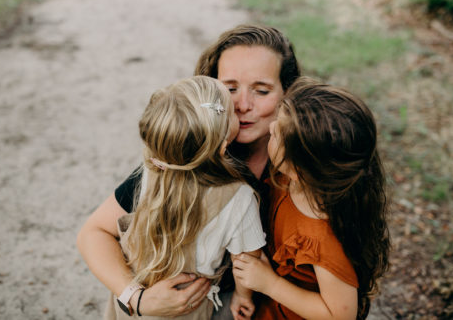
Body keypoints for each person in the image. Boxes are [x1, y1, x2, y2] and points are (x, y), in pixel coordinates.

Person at [77, 24, 301, 318]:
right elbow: (93, 233)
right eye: (230, 89)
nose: (242, 105)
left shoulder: (301, 164)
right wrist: (137, 298)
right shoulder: (178, 159)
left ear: (288, 92)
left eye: (261, 90)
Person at [79, 76, 266, 319]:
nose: (238, 108)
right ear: (221, 147)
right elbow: (246, 262)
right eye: (230, 109)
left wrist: (132, 296)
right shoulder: (239, 198)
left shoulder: (150, 173)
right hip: (190, 309)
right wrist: (244, 296)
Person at [232, 77, 390, 320]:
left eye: (276, 133)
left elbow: (340, 315)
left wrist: (270, 284)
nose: (271, 128)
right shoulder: (291, 177)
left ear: (298, 170)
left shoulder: (322, 238)